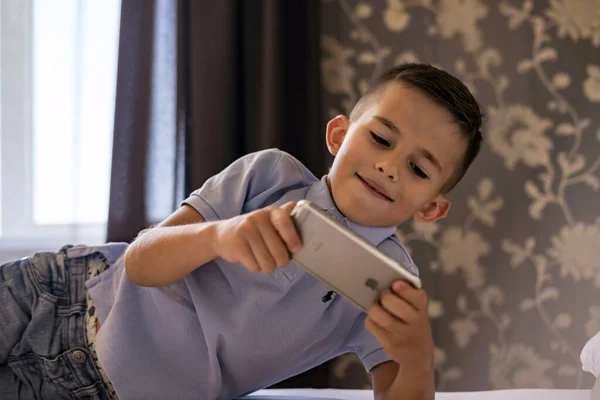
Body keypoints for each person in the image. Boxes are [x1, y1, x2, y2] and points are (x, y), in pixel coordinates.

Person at [0, 63, 483, 400]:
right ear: (338, 135)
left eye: (419, 169)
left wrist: (417, 357)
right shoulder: (269, 176)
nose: (389, 166)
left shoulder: (390, 284)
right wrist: (221, 235)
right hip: (62, 297)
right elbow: (142, 263)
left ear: (433, 207)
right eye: (381, 138)